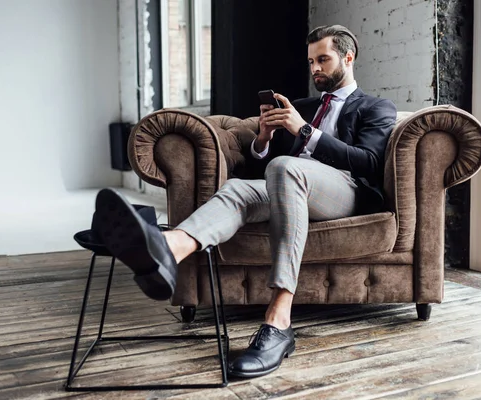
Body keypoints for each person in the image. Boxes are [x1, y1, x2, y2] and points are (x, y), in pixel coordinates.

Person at [94, 24, 397, 379]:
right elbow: (260, 168)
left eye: (324, 60)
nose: (315, 68)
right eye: (311, 61)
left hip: (344, 192)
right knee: (239, 190)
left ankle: (279, 317)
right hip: (289, 187)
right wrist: (264, 138)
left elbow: (369, 162)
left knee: (287, 167)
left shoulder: (376, 107)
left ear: (348, 57)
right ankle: (167, 248)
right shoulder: (302, 107)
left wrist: (304, 131)